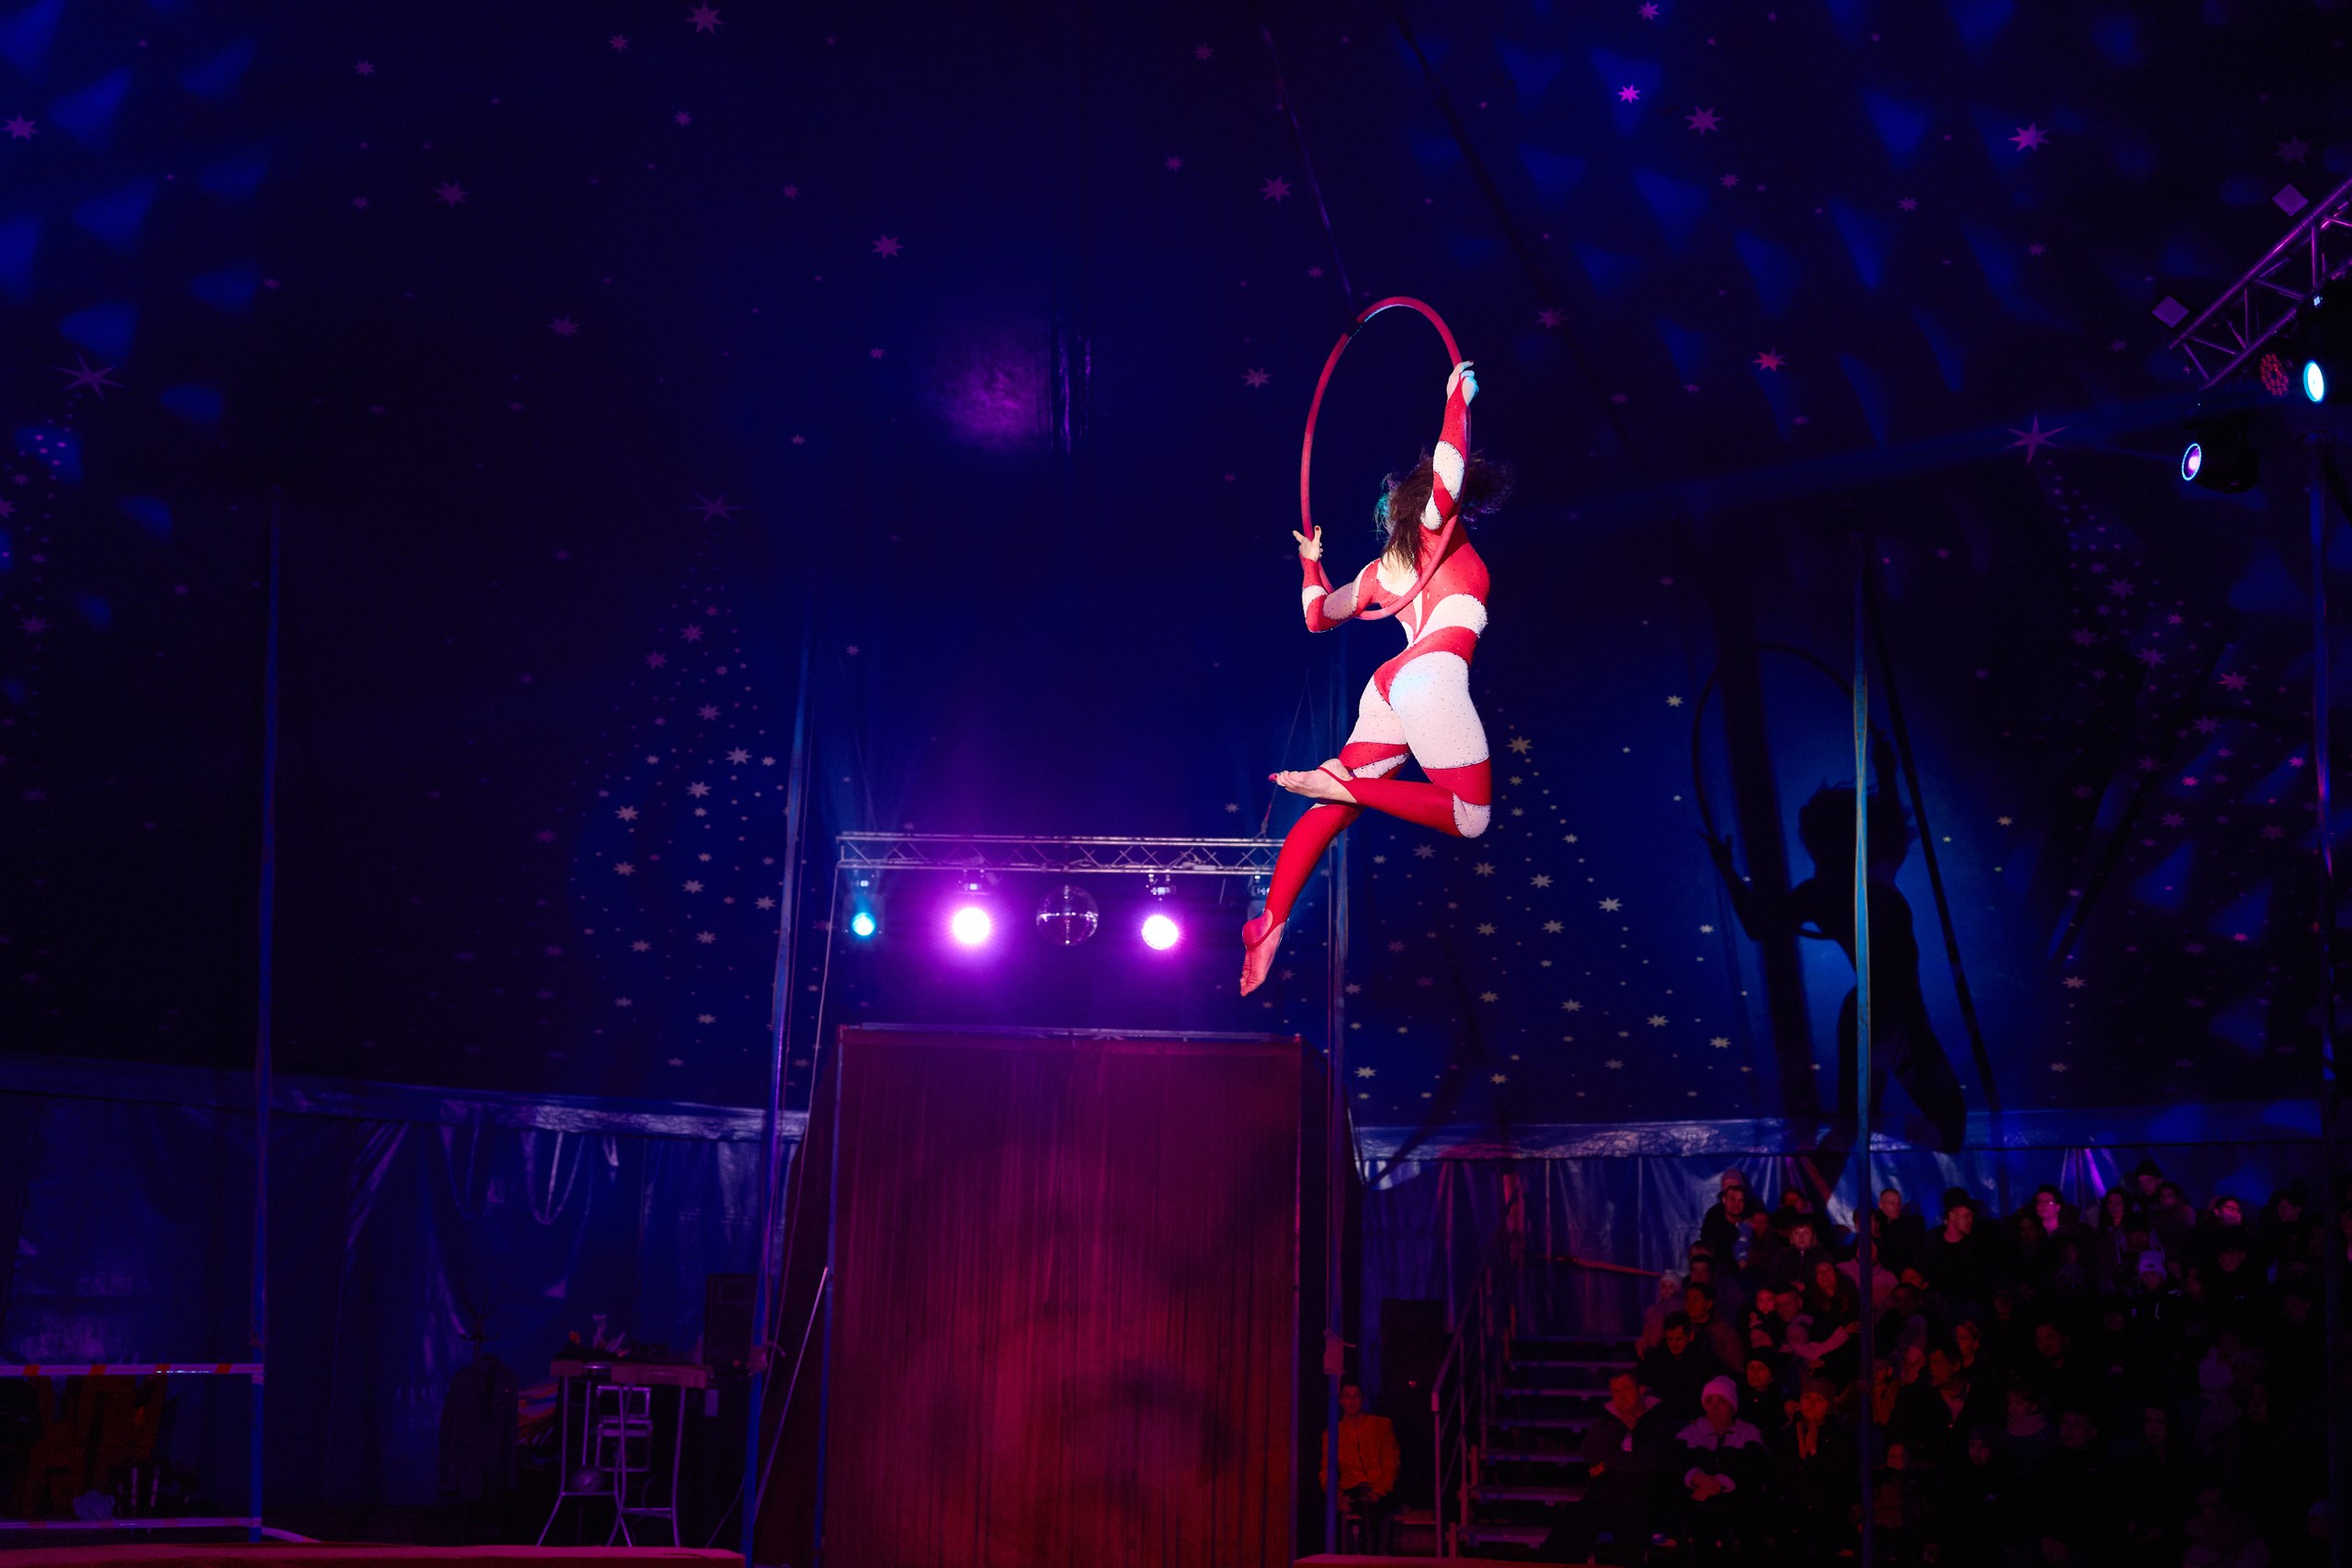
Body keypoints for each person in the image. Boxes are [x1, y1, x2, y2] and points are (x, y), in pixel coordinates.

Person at [1245, 361, 1507, 994]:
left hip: (1390, 682)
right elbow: (1448, 471)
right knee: (1469, 815)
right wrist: (1457, 401)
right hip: (1431, 674)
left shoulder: (1375, 573)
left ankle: (1268, 921)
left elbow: (1316, 617)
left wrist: (1311, 564)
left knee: (1330, 808)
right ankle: (1343, 784)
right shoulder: (1439, 533)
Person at [1538, 1371, 1664, 1563]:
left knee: (1632, 1531)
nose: (1620, 1396)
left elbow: (1650, 1461)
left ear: (1640, 1390)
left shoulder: (1658, 1419)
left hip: (1641, 1495)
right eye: (1615, 1391)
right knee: (1572, 1521)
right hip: (1605, 1494)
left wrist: (1607, 1464)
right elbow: (1589, 1452)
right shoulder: (1606, 1419)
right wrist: (1621, 1426)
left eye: (1625, 1389)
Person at [1671, 1377, 1767, 1556]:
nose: (1714, 1407)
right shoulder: (1690, 1433)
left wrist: (1720, 1482)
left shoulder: (1748, 1433)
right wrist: (1697, 1477)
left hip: (1738, 1504)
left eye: (1721, 1401)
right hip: (1697, 1504)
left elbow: (1755, 1465)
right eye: (1709, 1401)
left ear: (1732, 1406)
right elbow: (1675, 1463)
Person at [1771, 1378, 1856, 1562]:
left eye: (1819, 1399)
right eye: (1807, 1397)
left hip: (1827, 1514)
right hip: (1791, 1513)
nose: (1811, 1404)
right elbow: (1780, 1476)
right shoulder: (1785, 1437)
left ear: (1829, 1406)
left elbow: (1839, 1480)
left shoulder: (1840, 1439)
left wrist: (1815, 1453)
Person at [1318, 1380, 1400, 1547]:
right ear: (1341, 1400)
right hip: (1352, 1490)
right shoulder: (1333, 1433)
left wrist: (1379, 1491)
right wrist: (1336, 1496)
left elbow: (1391, 1462)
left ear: (1362, 1399)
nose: (1352, 1401)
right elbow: (1327, 1470)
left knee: (1374, 1514)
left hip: (1379, 1488)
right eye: (1347, 1396)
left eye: (1356, 1396)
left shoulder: (1381, 1425)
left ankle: (1375, 1555)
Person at [1637, 1314, 1724, 1422]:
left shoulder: (1705, 1361)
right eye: (1670, 1339)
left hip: (1696, 1419)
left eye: (1679, 1339)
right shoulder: (1655, 1360)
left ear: (1690, 1336)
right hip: (1662, 1418)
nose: (1674, 1344)